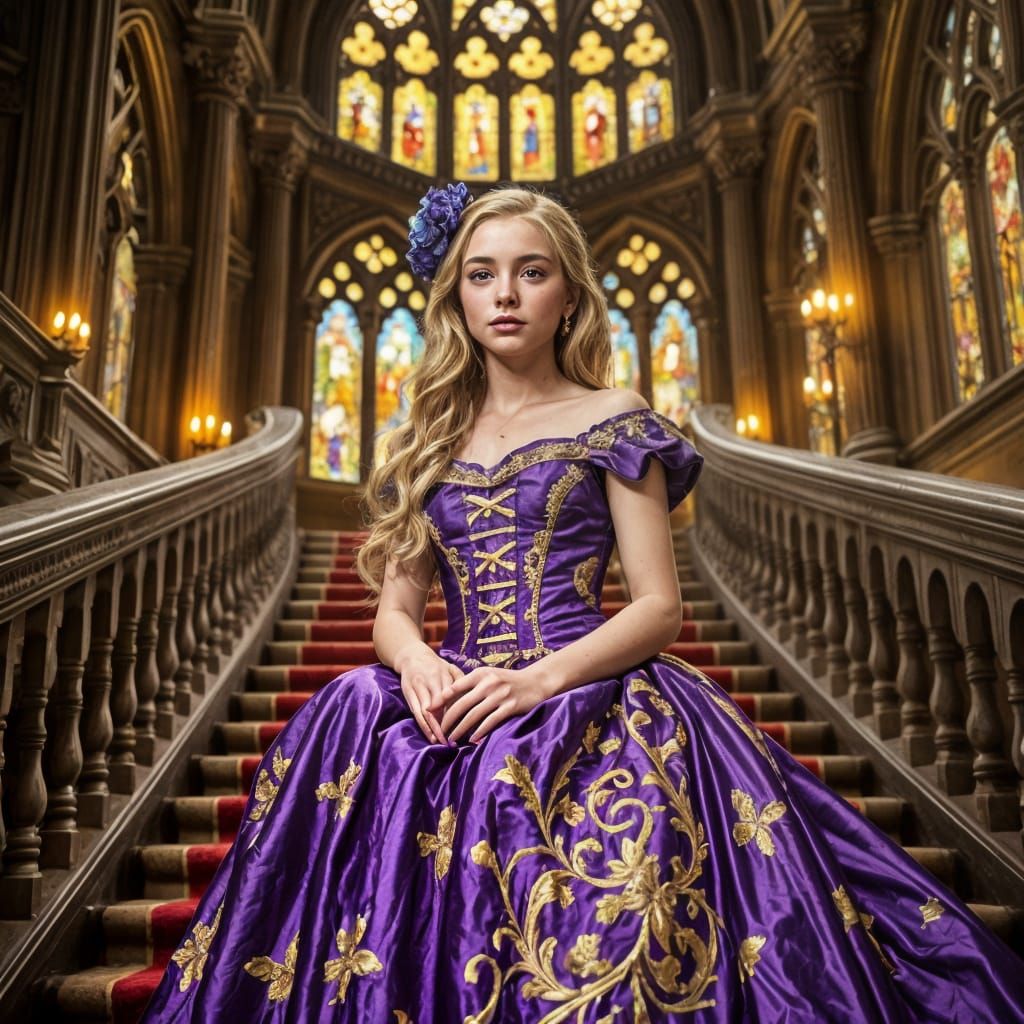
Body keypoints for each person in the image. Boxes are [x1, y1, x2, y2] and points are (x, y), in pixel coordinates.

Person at [142, 184, 1024, 1022]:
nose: (505, 294)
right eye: (481, 273)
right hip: (452, 693)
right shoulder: (423, 440)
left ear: (568, 296)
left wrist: (535, 683)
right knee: (349, 710)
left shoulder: (614, 415)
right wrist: (414, 664)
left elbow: (658, 607)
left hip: (582, 687)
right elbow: (396, 610)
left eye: (532, 272)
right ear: (455, 297)